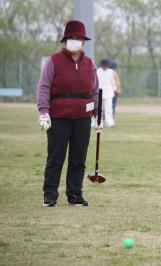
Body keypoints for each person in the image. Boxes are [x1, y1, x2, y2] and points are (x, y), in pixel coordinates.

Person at [36, 20, 99, 207]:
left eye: (79, 38)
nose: (75, 41)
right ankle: (50, 195)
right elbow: (44, 86)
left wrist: (97, 112)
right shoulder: (53, 61)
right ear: (65, 40)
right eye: (72, 38)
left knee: (78, 159)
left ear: (83, 42)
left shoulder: (89, 63)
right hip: (58, 116)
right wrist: (43, 111)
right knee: (56, 157)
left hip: (83, 117)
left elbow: (95, 90)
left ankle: (74, 194)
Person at [97, 59, 116, 127]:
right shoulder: (97, 71)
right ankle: (99, 123)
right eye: (104, 65)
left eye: (106, 65)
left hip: (109, 93)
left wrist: (115, 89)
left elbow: (113, 82)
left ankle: (110, 122)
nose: (105, 67)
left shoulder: (111, 72)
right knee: (99, 109)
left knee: (108, 109)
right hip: (99, 93)